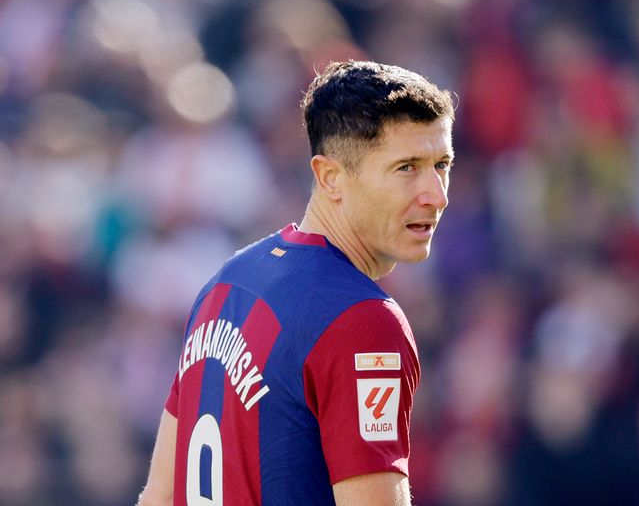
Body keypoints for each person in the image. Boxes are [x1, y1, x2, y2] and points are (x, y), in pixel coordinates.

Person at [136, 60, 455, 506]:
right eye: (406, 168)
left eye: (441, 164)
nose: (436, 195)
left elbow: (158, 497)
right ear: (330, 177)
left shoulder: (226, 284)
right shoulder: (361, 320)